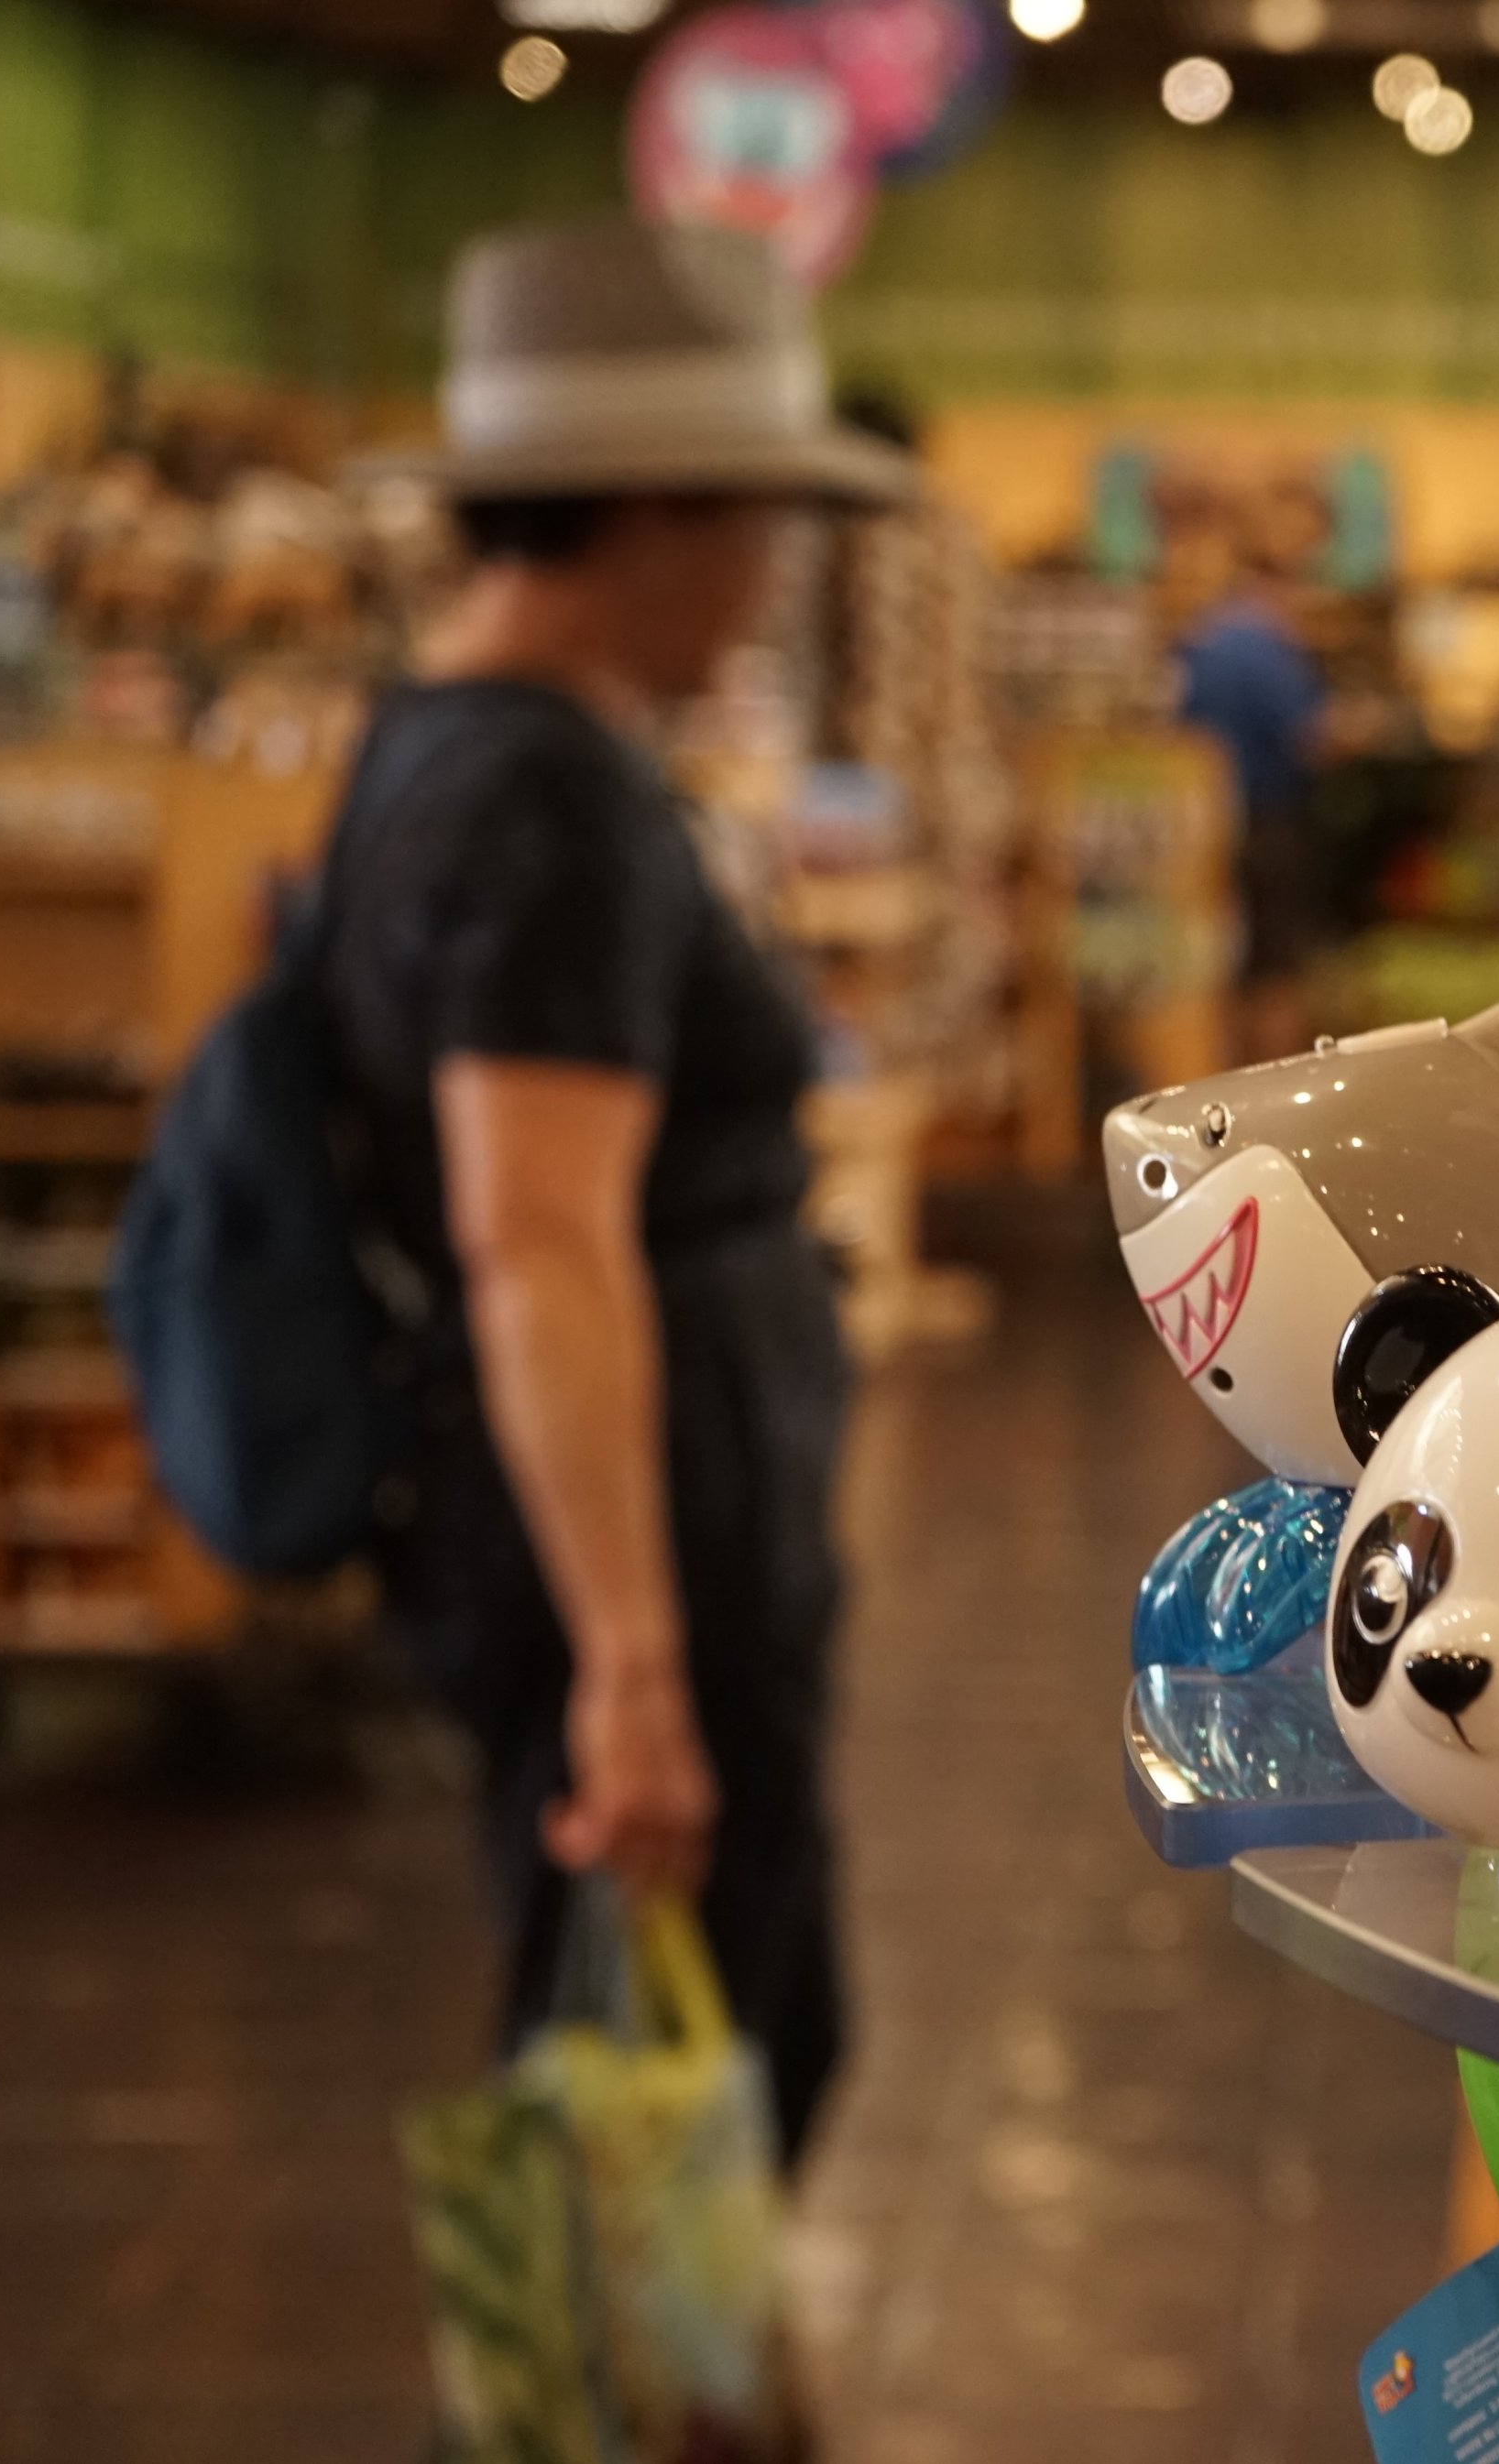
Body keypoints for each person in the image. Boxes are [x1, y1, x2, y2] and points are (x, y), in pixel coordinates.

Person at [324, 218, 909, 2164]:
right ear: (649, 512)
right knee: (693, 2065)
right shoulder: (540, 801)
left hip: (636, 1495)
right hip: (634, 1514)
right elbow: (538, 1236)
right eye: (753, 517)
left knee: (688, 2053)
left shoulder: (455, 745)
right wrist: (635, 1669)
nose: (766, 575)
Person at [1173, 536, 1328, 1061]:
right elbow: (1312, 734)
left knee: (1224, 962)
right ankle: (1273, 1075)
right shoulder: (1268, 651)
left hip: (1205, 824)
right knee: (1274, 965)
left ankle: (1224, 1071)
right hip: (1268, 821)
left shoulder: (1200, 643)